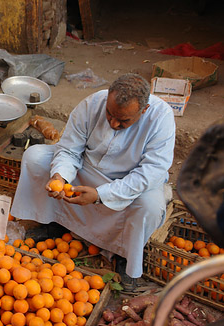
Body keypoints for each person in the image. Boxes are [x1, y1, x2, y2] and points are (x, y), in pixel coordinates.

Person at [10, 73, 176, 291]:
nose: (113, 122)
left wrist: (101, 195)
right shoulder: (92, 104)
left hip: (129, 182)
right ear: (108, 97)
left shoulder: (160, 118)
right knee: (35, 158)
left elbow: (150, 173)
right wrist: (60, 176)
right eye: (110, 114)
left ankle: (125, 253)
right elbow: (69, 148)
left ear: (143, 110)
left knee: (149, 206)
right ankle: (57, 222)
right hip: (86, 170)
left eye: (123, 120)